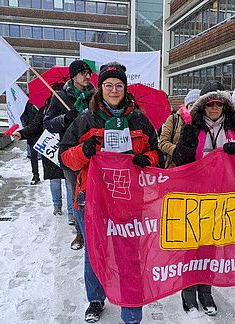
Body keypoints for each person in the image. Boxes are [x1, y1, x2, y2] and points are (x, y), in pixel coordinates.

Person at [59, 62, 160, 324]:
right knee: (95, 253)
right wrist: (84, 151)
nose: (114, 90)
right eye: (108, 85)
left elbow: (157, 153)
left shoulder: (139, 118)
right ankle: (95, 299)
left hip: (129, 200)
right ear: (100, 88)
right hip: (91, 198)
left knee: (129, 255)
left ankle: (131, 311)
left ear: (125, 88)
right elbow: (65, 158)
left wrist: (145, 160)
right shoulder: (85, 119)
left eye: (118, 85)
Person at [172, 80, 235, 316]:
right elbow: (181, 160)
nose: (214, 109)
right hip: (194, 196)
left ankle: (206, 289)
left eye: (219, 104)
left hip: (222, 196)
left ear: (225, 106)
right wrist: (188, 137)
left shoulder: (234, 130)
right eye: (210, 104)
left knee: (210, 244)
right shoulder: (192, 128)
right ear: (203, 106)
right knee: (191, 244)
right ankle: (188, 289)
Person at [43, 59, 95, 250]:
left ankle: (94, 230)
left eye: (89, 73)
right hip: (71, 152)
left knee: (95, 194)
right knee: (77, 195)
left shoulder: (95, 96)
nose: (88, 76)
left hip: (92, 152)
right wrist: (65, 118)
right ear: (74, 76)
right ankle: (80, 234)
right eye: (83, 73)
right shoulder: (61, 96)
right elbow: (47, 123)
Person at [12, 95, 69, 222]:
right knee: (55, 179)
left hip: (68, 148)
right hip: (50, 150)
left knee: (69, 181)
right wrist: (22, 133)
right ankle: (57, 206)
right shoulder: (44, 110)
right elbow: (35, 126)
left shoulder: (71, 107)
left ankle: (71, 212)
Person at [159, 89, 200, 168]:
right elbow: (163, 142)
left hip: (196, 169)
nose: (193, 109)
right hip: (174, 167)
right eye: (191, 105)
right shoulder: (174, 119)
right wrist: (179, 151)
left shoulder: (203, 122)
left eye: (196, 105)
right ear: (186, 106)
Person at [19, 101, 41, 184]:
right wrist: (26, 125)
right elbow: (24, 114)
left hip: (44, 133)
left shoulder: (47, 101)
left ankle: (48, 175)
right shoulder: (29, 102)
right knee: (33, 156)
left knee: (46, 157)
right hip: (32, 132)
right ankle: (35, 175)